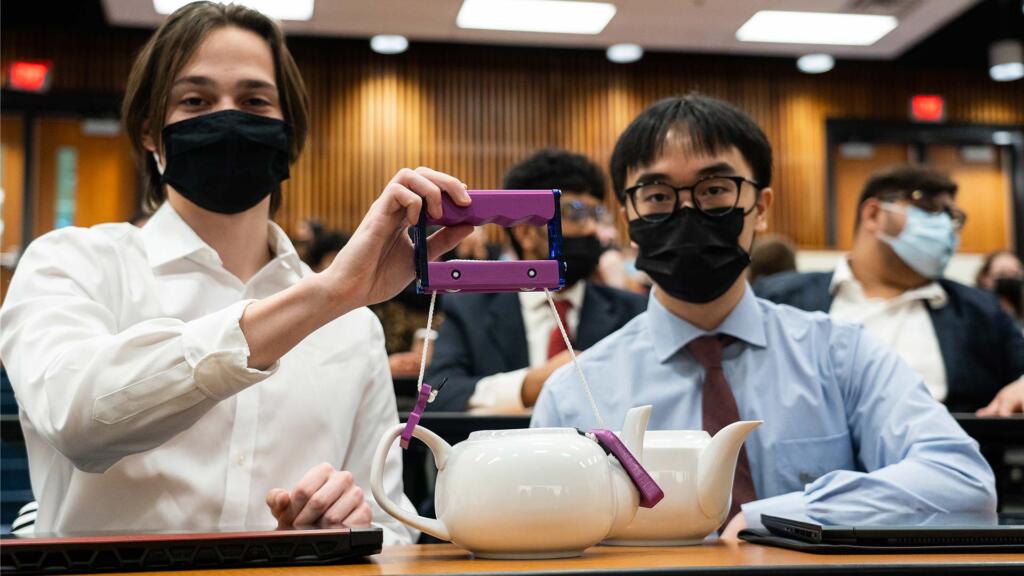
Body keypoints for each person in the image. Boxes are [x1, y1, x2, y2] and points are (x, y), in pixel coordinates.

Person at [0, 2, 475, 542]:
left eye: (254, 101)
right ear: (151, 133)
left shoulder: (352, 326)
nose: (227, 117)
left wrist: (346, 528)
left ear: (287, 136)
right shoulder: (72, 263)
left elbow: (392, 525)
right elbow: (78, 420)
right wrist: (326, 296)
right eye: (195, 100)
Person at [531, 95, 995, 541]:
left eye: (715, 190)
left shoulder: (841, 356)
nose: (688, 210)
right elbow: (540, 527)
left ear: (762, 207)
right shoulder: (577, 392)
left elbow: (963, 483)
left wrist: (781, 515)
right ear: (628, 217)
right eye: (657, 195)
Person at [755, 166, 1024, 415]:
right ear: (873, 214)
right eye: (929, 208)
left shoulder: (980, 312)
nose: (944, 226)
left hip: (940, 458)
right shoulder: (780, 299)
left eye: (951, 216)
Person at [427, 149, 647, 410]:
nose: (590, 228)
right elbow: (438, 395)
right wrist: (528, 386)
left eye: (595, 214)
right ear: (526, 233)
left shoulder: (633, 312)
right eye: (574, 213)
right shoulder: (470, 310)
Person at [976, 250, 1024, 323]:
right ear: (985, 278)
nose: (1010, 279)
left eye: (1015, 274)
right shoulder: (973, 309)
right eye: (1002, 274)